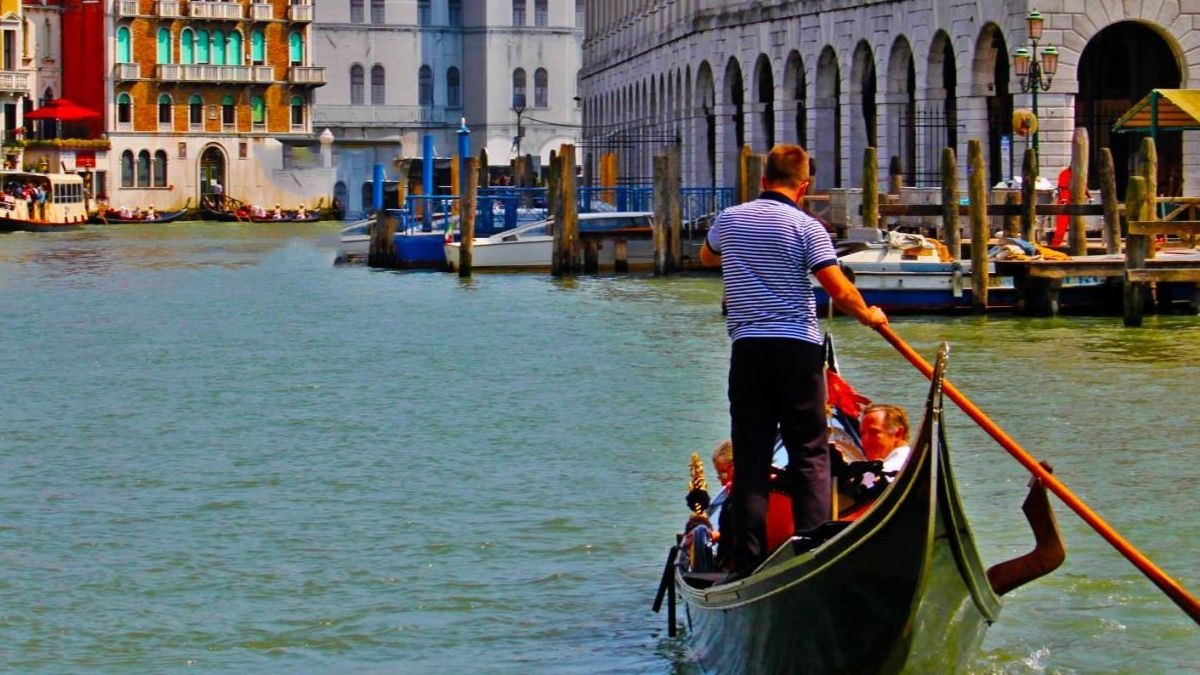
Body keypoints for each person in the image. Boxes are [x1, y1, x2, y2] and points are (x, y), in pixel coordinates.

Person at [702, 143, 888, 575]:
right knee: (809, 452)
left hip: (749, 348)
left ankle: (745, 560)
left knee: (751, 457)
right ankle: (813, 549)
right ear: (803, 186)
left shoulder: (730, 220)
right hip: (798, 349)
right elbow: (837, 289)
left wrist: (739, 256)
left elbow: (708, 256)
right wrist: (870, 316)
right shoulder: (808, 228)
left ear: (763, 181)